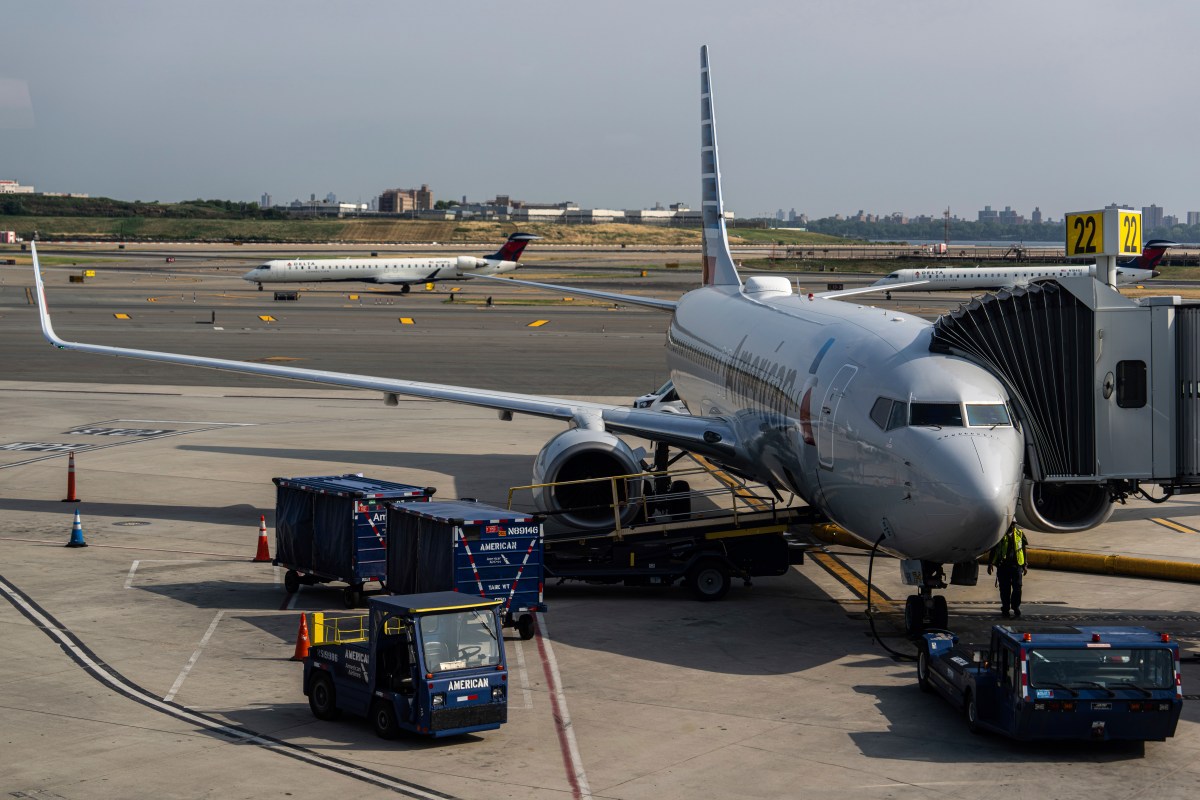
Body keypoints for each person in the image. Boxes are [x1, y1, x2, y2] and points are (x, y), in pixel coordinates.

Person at [988, 523, 1029, 619]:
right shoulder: (1000, 535)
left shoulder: (1020, 534)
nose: (1012, 526)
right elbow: (994, 549)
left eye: (1013, 524)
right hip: (1003, 566)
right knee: (1004, 589)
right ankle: (1005, 608)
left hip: (1017, 566)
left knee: (1017, 589)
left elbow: (1023, 549)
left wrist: (1025, 564)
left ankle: (1015, 607)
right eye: (1010, 524)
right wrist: (990, 564)